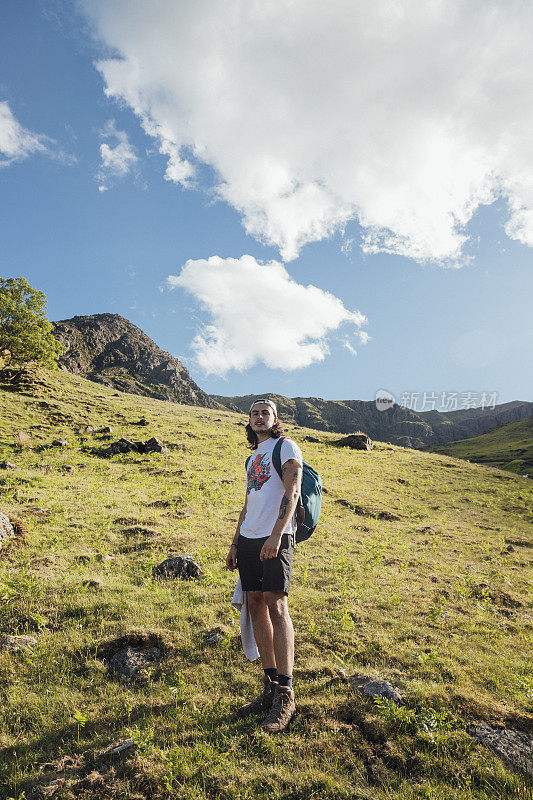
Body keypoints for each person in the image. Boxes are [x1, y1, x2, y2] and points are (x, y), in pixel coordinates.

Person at [226, 399, 303, 734]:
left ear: (275, 419)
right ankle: (269, 685)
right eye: (254, 413)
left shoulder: (287, 447)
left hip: (276, 536)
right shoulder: (251, 458)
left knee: (277, 605)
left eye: (265, 413)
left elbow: (293, 492)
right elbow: (248, 502)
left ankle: (286, 693)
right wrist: (234, 543)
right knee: (255, 603)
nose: (259, 417)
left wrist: (275, 536)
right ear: (249, 420)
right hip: (248, 539)